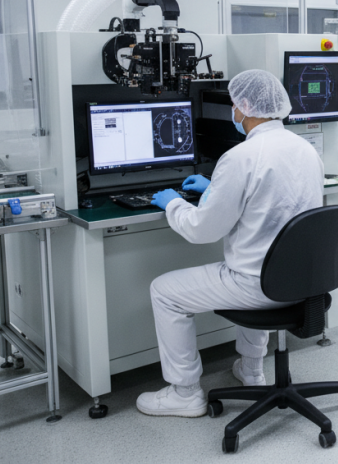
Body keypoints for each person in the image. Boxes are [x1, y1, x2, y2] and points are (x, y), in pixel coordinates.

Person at [136, 69, 324, 417]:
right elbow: (275, 202)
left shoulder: (240, 157)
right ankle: (251, 369)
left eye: (235, 104)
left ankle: (185, 393)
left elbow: (200, 230)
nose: (232, 111)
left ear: (245, 108)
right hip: (305, 280)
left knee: (164, 291)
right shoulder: (305, 149)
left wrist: (171, 203)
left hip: (256, 285)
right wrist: (214, 189)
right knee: (252, 264)